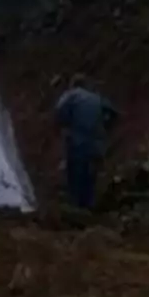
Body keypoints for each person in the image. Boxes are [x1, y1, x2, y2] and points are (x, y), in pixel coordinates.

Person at [55, 74, 118, 211]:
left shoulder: (71, 95)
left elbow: (60, 111)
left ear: (73, 85)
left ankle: (75, 207)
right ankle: (89, 205)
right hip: (96, 143)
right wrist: (106, 126)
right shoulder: (96, 97)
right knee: (90, 174)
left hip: (78, 141)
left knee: (75, 172)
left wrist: (66, 125)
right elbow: (113, 112)